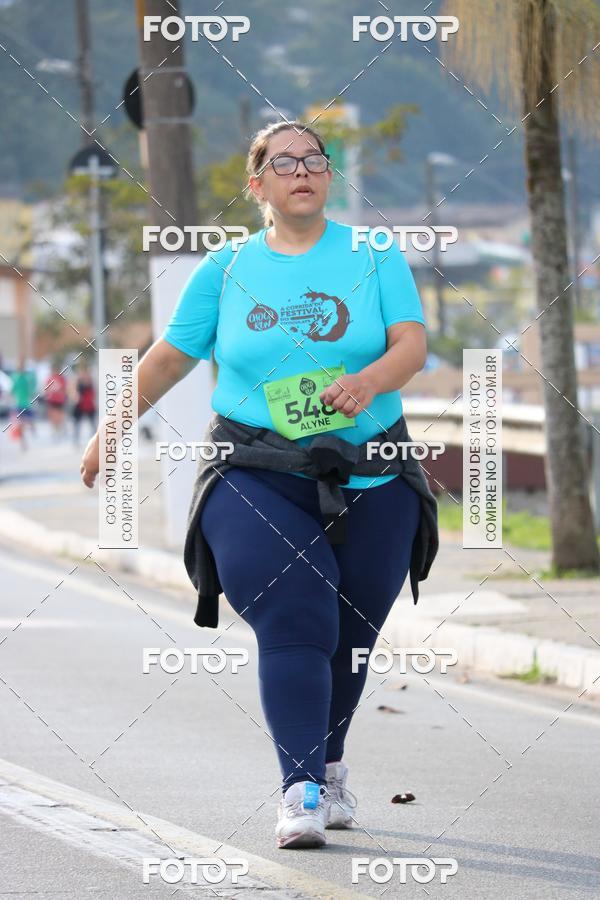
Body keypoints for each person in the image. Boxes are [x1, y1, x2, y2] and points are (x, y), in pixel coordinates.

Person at [79, 121, 437, 851]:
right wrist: (110, 429)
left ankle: (328, 767)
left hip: (373, 469)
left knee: (353, 634)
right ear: (258, 184)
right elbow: (170, 359)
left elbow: (412, 343)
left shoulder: (374, 255)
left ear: (328, 175)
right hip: (255, 471)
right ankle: (299, 787)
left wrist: (367, 383)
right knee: (299, 617)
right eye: (284, 163)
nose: (302, 171)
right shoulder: (226, 268)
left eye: (314, 160)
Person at [71, 362, 96, 445]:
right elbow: (74, 391)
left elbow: (93, 392)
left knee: (92, 423)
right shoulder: (78, 380)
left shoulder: (90, 379)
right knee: (77, 423)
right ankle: (76, 440)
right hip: (80, 404)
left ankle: (94, 440)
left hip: (89, 404)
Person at [44, 363, 68, 439]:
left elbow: (65, 389)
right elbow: (46, 389)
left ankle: (60, 429)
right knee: (53, 415)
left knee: (60, 415)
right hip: (52, 400)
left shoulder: (61, 378)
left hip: (60, 400)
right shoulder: (49, 378)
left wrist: (64, 396)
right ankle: (55, 430)